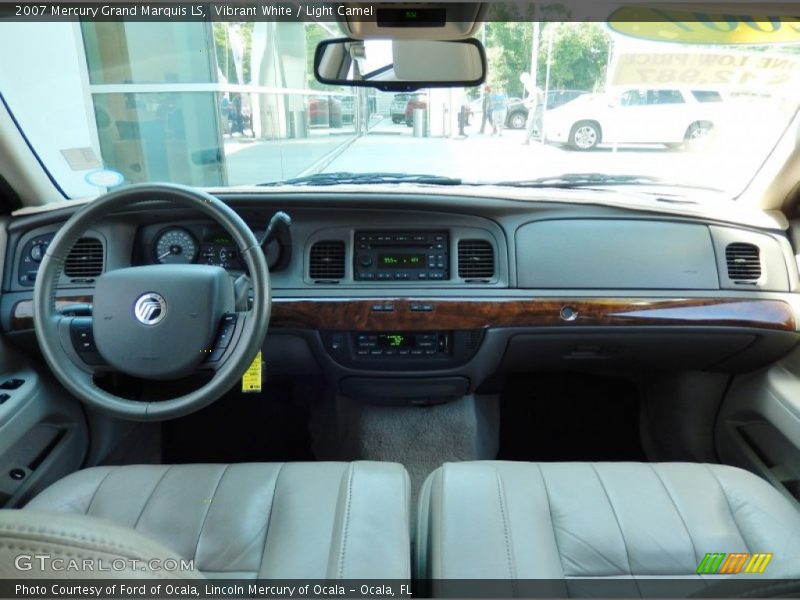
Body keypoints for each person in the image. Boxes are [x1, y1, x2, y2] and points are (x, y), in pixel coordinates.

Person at [520, 72, 544, 144]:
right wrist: (527, 102)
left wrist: (527, 103)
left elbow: (533, 97)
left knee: (530, 123)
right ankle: (544, 138)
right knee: (539, 123)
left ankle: (526, 140)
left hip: (536, 107)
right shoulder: (533, 86)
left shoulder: (530, 85)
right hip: (540, 107)